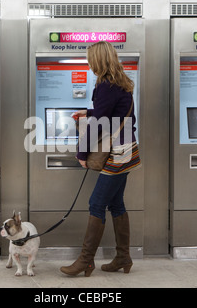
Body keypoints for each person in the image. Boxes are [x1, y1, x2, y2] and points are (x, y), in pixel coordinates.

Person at [60, 41, 141, 277]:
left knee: (96, 203)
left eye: (89, 59)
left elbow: (100, 124)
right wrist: (90, 111)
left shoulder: (106, 84)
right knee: (116, 203)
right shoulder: (122, 81)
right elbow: (115, 113)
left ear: (97, 60)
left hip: (115, 152)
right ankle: (123, 257)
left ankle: (86, 261)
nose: (88, 63)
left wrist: (82, 153)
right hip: (126, 148)